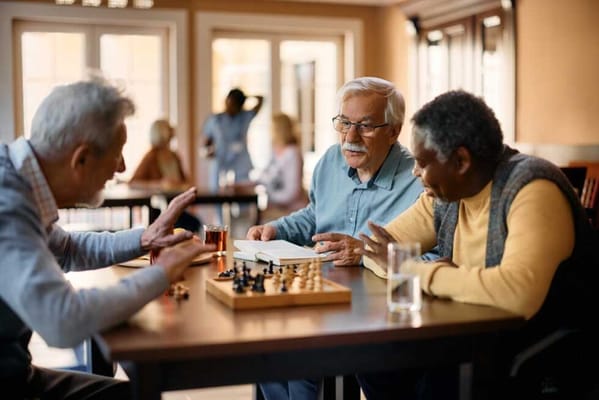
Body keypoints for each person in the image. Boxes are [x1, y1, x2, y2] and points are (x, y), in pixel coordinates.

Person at [358, 90, 599, 399]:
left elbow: (516, 294)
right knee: (377, 360)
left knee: (438, 378)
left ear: (460, 161)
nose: (416, 173)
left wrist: (415, 272)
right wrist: (421, 270)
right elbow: (376, 252)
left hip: (540, 348)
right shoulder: (446, 194)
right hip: (471, 332)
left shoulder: (532, 188)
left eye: (421, 163)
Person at [0, 77, 215, 399]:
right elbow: (62, 321)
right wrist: (161, 274)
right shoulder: (8, 204)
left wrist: (147, 237)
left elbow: (68, 249)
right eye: (118, 153)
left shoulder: (19, 183)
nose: (122, 167)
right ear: (81, 159)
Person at [249, 76, 424, 399]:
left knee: (301, 359)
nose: (350, 137)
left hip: (379, 314)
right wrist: (278, 228)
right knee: (265, 350)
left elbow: (427, 257)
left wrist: (367, 253)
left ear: (394, 130)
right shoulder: (329, 161)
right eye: (344, 123)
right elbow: (316, 215)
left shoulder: (418, 181)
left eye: (366, 126)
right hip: (323, 295)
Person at [130, 118, 201, 232]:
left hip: (176, 206)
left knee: (195, 224)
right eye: (168, 129)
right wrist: (159, 184)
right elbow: (133, 183)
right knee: (187, 225)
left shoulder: (174, 156)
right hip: (158, 208)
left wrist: (180, 184)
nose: (172, 131)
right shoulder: (151, 157)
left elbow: (187, 182)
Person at [201, 87, 264, 190]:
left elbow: (261, 99)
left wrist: (246, 98)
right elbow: (206, 141)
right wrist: (207, 152)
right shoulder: (215, 120)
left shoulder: (244, 116)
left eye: (235, 105)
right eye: (229, 102)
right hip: (220, 160)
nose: (230, 107)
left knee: (242, 193)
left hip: (240, 161)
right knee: (216, 193)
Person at [256, 113, 308, 220]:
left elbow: (293, 192)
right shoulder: (275, 152)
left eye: (272, 127)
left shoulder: (292, 154)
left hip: (293, 210)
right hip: (276, 207)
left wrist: (272, 197)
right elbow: (264, 176)